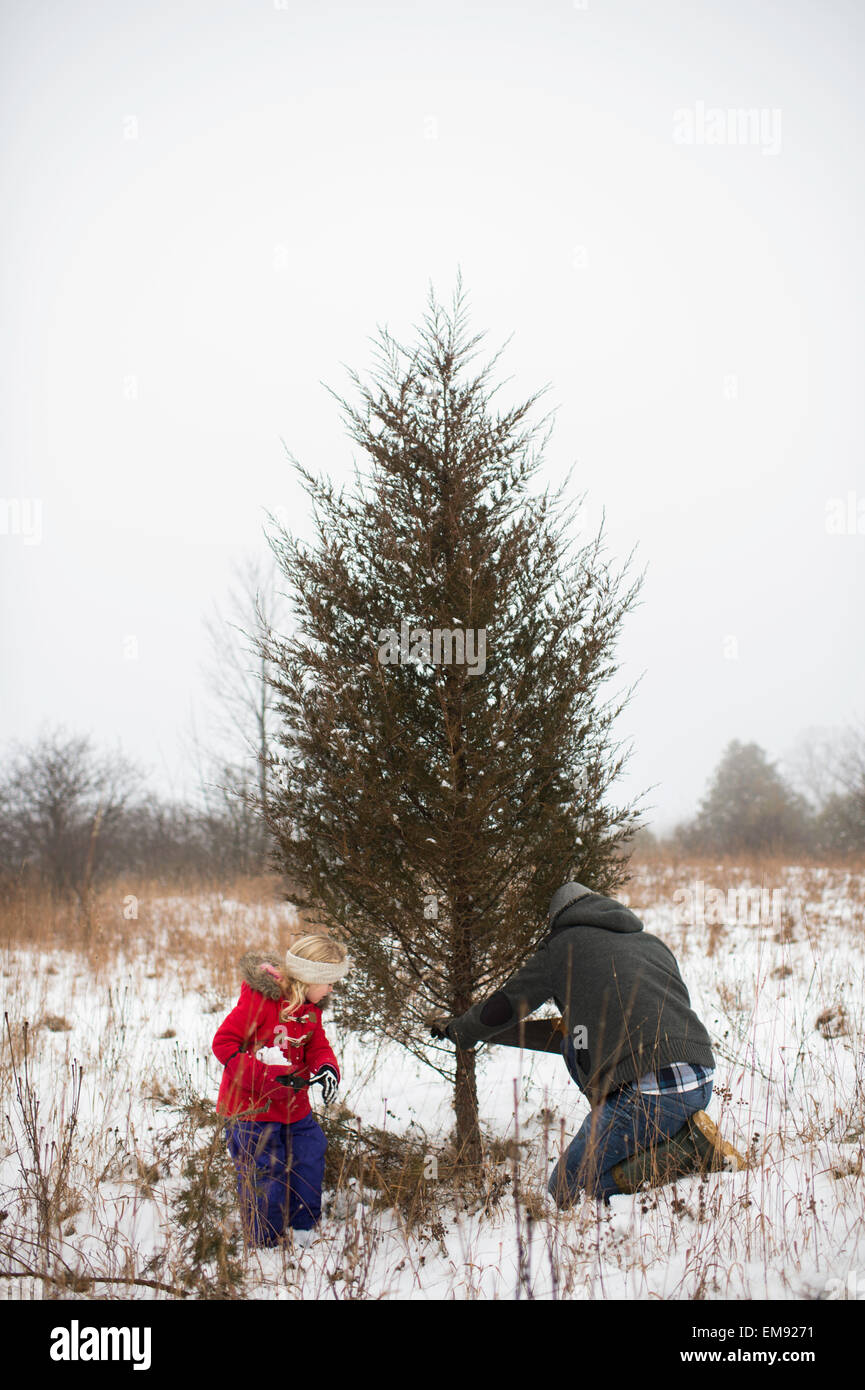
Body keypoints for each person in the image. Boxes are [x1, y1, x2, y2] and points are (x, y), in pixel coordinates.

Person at [430, 881, 743, 1206]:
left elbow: (505, 1006)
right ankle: (673, 1142)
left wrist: (461, 1030)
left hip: (649, 1096)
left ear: (558, 921)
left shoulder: (562, 947)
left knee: (565, 1189)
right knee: (571, 1042)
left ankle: (686, 1155)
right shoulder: (651, 943)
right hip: (701, 1079)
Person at [212, 934, 351, 1247]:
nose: (331, 989)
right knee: (265, 1172)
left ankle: (304, 1228)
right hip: (251, 1112)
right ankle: (264, 1240)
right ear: (309, 978)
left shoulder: (310, 1009)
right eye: (328, 982)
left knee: (310, 1154)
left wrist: (327, 1066)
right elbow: (223, 1045)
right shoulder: (261, 1003)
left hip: (294, 1109)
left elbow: (317, 1045)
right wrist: (269, 1078)